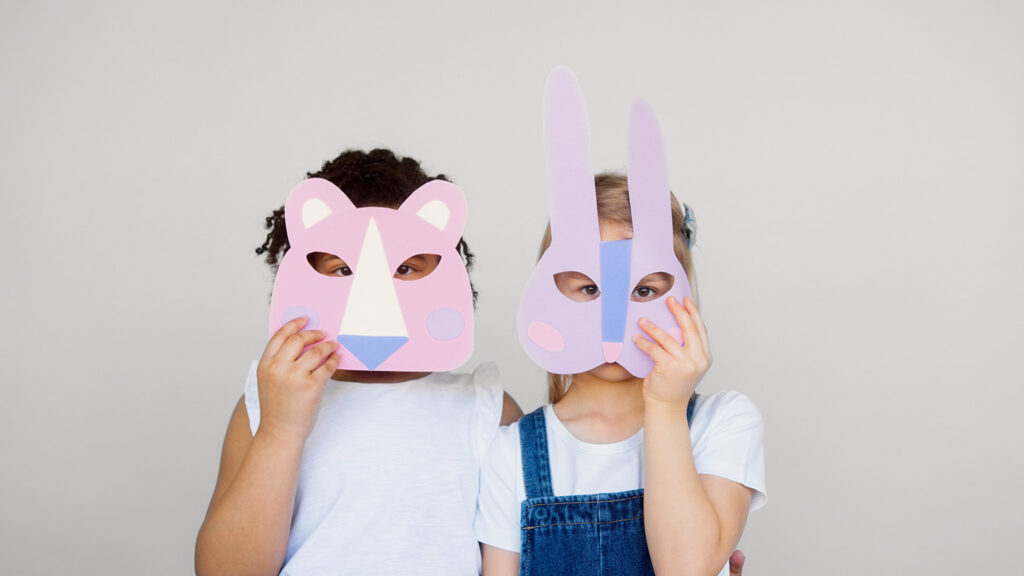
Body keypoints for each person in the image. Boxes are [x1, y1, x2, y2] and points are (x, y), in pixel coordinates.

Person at [195, 148, 523, 576]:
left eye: (407, 268)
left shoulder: (485, 408)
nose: (373, 297)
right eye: (340, 269)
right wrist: (281, 430)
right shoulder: (267, 403)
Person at [476, 174, 766, 576]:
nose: (615, 322)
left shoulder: (723, 422)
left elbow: (686, 570)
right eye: (589, 289)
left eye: (644, 291)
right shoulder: (509, 454)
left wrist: (666, 405)